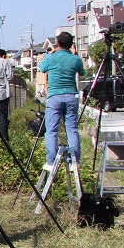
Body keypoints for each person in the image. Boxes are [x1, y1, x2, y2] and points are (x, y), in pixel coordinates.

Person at [38, 31, 86, 169]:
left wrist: (52, 52)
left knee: (51, 130)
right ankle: (75, 162)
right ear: (71, 44)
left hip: (54, 97)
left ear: (57, 43)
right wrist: (74, 54)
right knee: (72, 129)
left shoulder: (51, 58)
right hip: (71, 95)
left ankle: (51, 162)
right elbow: (82, 73)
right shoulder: (75, 59)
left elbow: (42, 68)